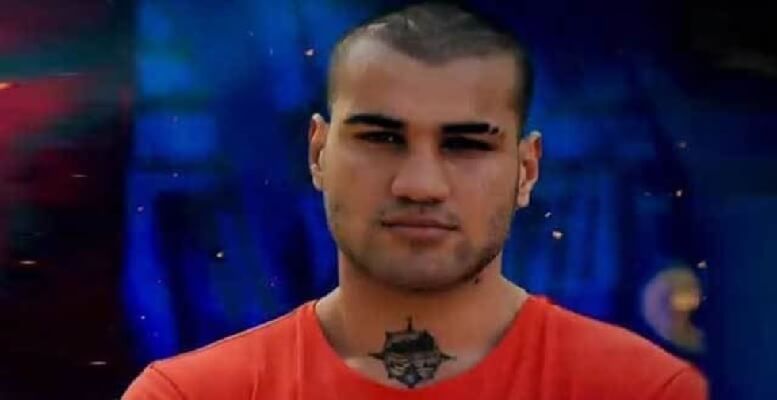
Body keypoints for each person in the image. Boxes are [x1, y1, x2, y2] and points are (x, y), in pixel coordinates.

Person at [124, 2, 707, 399]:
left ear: (526, 169)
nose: (421, 184)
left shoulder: (642, 390)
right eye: (380, 139)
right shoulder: (187, 394)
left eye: (466, 144)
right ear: (318, 153)